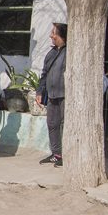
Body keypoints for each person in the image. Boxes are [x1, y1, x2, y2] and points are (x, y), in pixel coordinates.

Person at [36, 22, 67, 168]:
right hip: (52, 94)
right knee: (52, 124)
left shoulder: (69, 52)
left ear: (62, 35)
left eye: (54, 33)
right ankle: (56, 154)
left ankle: (66, 155)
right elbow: (44, 74)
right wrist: (39, 91)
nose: (51, 36)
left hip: (65, 95)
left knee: (65, 125)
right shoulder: (52, 53)